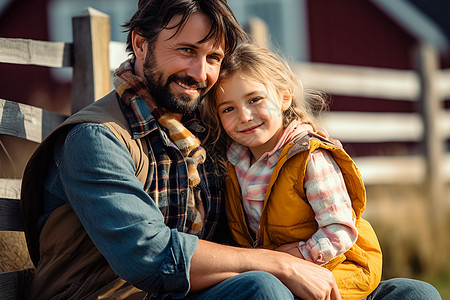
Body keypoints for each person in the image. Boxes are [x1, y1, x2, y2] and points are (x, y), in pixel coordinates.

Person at [20, 0, 341, 299]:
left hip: (192, 291)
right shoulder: (96, 139)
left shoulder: (207, 127)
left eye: (213, 58)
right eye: (187, 50)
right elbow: (149, 255)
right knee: (261, 288)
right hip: (113, 295)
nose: (200, 73)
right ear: (141, 44)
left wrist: (300, 142)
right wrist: (277, 263)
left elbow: (267, 145)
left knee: (393, 291)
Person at [202, 43, 442, 300]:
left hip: (334, 269)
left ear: (284, 97)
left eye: (255, 99)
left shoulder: (310, 158)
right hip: (277, 277)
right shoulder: (232, 164)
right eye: (228, 108)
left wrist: (294, 256)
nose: (245, 115)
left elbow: (339, 229)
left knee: (418, 294)